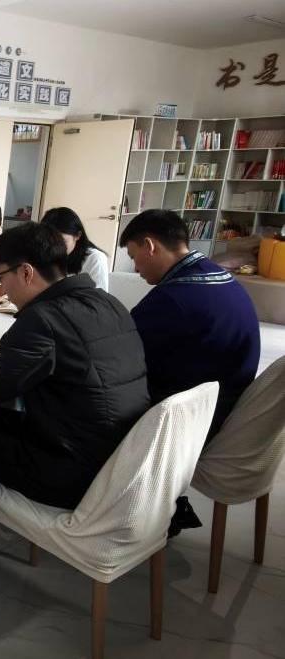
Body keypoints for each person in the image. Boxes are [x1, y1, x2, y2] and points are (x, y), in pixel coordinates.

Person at [0, 223, 149, 510]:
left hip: (76, 473)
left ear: (26, 272)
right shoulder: (108, 302)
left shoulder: (43, 319)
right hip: (122, 459)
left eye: (1, 277)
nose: (2, 288)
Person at [120, 210, 260, 535]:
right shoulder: (218, 276)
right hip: (228, 404)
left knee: (95, 404)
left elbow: (120, 350)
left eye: (134, 257)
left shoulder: (175, 297)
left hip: (199, 420)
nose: (136, 268)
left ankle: (131, 509)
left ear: (150, 245)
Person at [40, 207, 110, 291]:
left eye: (62, 241)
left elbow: (98, 297)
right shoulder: (45, 253)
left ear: (78, 235)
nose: (54, 247)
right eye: (49, 241)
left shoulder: (96, 259)